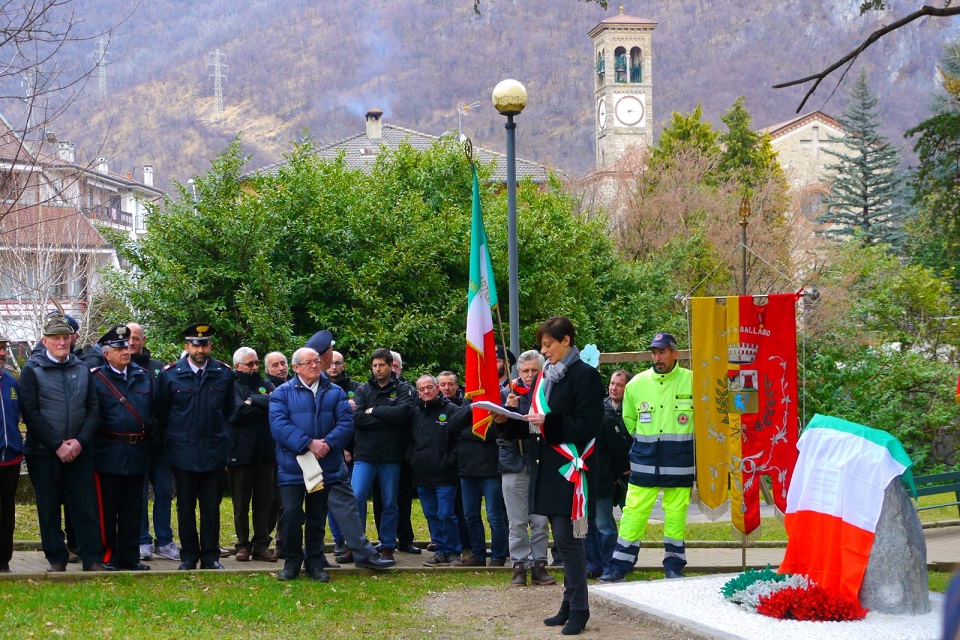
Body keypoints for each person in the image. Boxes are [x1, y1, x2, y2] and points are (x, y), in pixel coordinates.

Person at [270, 339, 394, 581]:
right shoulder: (282, 394)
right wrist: (309, 443)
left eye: (317, 361)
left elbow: (346, 423)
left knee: (317, 517)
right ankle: (292, 562)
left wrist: (327, 444)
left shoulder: (335, 392)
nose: (315, 366)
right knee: (292, 515)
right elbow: (279, 426)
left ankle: (315, 563)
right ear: (296, 367)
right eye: (309, 362)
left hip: (324, 465)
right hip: (293, 467)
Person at [515, 316, 604, 635]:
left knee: (569, 541)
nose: (544, 351)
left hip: (572, 470)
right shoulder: (545, 377)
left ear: (566, 341)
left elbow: (589, 425)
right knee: (563, 541)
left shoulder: (586, 376)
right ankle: (568, 604)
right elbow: (537, 422)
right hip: (549, 468)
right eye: (542, 345)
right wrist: (508, 421)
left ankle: (580, 608)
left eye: (548, 344)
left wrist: (549, 422)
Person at [600, 332, 694, 583]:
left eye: (662, 352)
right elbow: (629, 421)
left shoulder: (692, 381)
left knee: (676, 515)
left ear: (675, 353)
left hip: (679, 461)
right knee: (633, 512)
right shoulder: (636, 385)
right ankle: (619, 566)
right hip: (645, 459)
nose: (657, 357)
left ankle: (674, 566)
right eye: (654, 352)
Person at [20, 313, 105, 572]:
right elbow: (30, 413)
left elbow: (93, 409)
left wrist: (79, 442)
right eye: (56, 338)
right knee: (49, 508)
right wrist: (57, 445)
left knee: (85, 506)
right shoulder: (32, 370)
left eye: (66, 337)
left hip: (79, 451)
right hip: (44, 452)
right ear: (45, 341)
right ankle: (57, 558)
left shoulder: (82, 368)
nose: (62, 342)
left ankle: (92, 558)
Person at [156, 323, 234, 570]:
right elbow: (161, 414)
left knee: (211, 507)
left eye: (205, 345)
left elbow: (229, 411)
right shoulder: (170, 375)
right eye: (196, 345)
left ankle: (210, 556)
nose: (200, 350)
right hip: (183, 451)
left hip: (213, 451)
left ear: (210, 346)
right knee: (185, 507)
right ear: (187, 346)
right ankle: (189, 556)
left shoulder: (223, 374)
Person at [341, 348, 414, 563]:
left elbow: (402, 415)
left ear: (391, 366)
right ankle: (355, 545)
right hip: (365, 454)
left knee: (390, 502)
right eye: (374, 365)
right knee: (356, 498)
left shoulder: (403, 389)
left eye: (381, 365)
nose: (377, 369)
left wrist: (374, 411)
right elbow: (356, 418)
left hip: (391, 456)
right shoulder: (363, 390)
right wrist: (386, 419)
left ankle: (387, 545)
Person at [90, 326, 153, 571]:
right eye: (118, 348)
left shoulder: (142, 375)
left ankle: (130, 557)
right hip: (108, 450)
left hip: (137, 451)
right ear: (106, 354)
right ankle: (108, 556)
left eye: (126, 346)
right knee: (107, 508)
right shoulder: (96, 378)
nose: (125, 351)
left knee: (132, 508)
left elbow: (153, 410)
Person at [494, 349, 555, 586]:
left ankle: (539, 564)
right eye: (525, 371)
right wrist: (508, 412)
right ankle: (518, 565)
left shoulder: (548, 392)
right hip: (513, 462)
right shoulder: (507, 393)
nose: (529, 375)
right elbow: (498, 433)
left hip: (541, 463)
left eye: (534, 370)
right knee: (517, 520)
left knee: (540, 520)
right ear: (518, 371)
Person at [128, 322, 180, 562]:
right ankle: (141, 541)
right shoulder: (119, 368)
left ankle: (164, 541)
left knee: (164, 491)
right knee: (138, 494)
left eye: (136, 338)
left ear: (143, 340)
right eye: (128, 338)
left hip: (160, 443)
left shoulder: (159, 368)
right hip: (135, 443)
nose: (131, 342)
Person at [408, 374, 466, 566]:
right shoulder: (414, 412)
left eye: (429, 387)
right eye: (422, 389)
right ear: (418, 392)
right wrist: (413, 459)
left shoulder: (451, 410)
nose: (426, 391)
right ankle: (440, 550)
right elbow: (408, 440)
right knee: (431, 515)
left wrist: (449, 461)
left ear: (437, 388)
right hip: (422, 474)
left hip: (445, 475)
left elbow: (460, 440)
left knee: (446, 514)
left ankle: (454, 552)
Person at [228, 347, 278, 562]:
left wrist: (252, 400)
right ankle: (242, 545)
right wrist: (261, 403)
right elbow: (237, 412)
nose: (255, 367)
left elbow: (276, 404)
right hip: (240, 453)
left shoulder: (265, 383)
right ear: (237, 366)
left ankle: (261, 544)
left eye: (256, 363)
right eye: (250, 364)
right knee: (241, 503)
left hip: (265, 451)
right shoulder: (231, 384)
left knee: (264, 502)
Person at [584, 369, 633, 578]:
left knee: (619, 521)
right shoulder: (597, 412)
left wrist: (622, 469)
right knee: (595, 524)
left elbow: (618, 448)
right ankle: (597, 563)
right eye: (612, 383)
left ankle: (614, 562)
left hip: (618, 475)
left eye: (619, 385)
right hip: (596, 478)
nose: (614, 388)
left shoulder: (610, 417)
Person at [324, 349, 359, 554]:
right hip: (331, 450)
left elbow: (357, 420)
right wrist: (340, 447)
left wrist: (349, 447)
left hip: (355, 452)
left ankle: (354, 541)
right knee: (332, 500)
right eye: (331, 363)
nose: (334, 367)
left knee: (352, 499)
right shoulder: (321, 388)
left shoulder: (356, 388)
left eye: (338, 363)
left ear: (343, 365)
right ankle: (338, 540)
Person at [0, 334, 22, 573]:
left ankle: (3, 559)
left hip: (11, 459)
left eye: (4, 348)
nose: (2, 353)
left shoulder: (11, 382)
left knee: (7, 512)